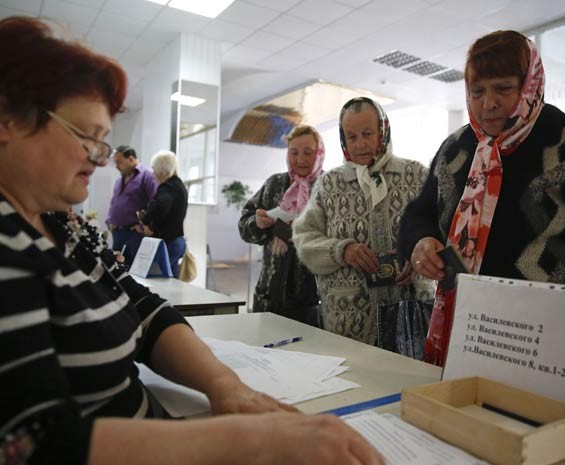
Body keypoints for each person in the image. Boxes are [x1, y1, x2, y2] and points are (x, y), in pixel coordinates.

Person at [0, 17, 385, 465]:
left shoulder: (62, 225)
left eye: (104, 142)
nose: (99, 159)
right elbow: (31, 445)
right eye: (86, 137)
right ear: (8, 120)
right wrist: (253, 441)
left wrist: (226, 386)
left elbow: (141, 308)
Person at [397, 30, 565, 366]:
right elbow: (421, 212)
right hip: (473, 331)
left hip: (561, 337)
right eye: (477, 92)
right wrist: (420, 242)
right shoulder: (455, 149)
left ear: (530, 84)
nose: (489, 103)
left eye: (503, 88)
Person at [293, 97, 434, 345]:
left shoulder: (416, 175)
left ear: (383, 130)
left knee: (409, 381)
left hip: (411, 317)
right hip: (349, 322)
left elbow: (443, 230)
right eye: (352, 137)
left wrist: (418, 256)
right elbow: (304, 239)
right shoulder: (331, 184)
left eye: (368, 133)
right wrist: (341, 250)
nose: (361, 145)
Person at [239, 125, 324, 326]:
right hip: (268, 296)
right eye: (294, 152)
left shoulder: (328, 187)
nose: (300, 159)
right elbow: (244, 225)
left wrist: (300, 231)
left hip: (312, 301)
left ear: (319, 153)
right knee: (264, 355)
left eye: (308, 153)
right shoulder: (274, 184)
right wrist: (257, 223)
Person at [106, 145, 158, 267]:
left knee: (134, 270)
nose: (117, 166)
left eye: (119, 162)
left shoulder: (147, 175)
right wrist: (109, 220)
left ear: (130, 159)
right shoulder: (120, 180)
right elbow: (114, 202)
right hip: (117, 232)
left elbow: (154, 203)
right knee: (117, 268)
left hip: (134, 233)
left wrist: (143, 225)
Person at [138, 150, 188, 278]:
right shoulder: (179, 185)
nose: (153, 173)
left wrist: (147, 221)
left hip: (167, 243)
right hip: (177, 241)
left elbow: (161, 206)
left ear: (161, 169)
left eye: (154, 169)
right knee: (171, 285)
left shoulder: (167, 187)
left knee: (157, 284)